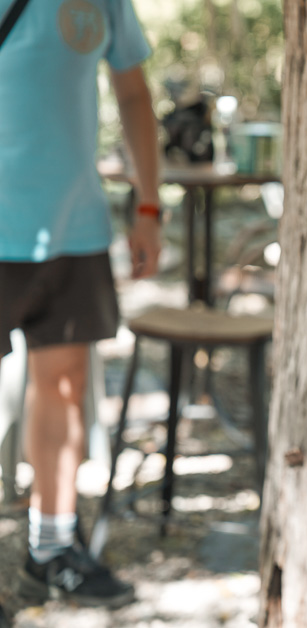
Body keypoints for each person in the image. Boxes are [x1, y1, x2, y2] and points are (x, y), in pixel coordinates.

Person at [0, 0, 161, 610]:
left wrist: (148, 208)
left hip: (76, 226)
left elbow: (134, 95)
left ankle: (50, 552)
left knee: (64, 388)